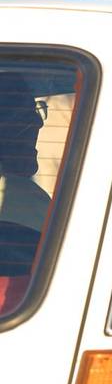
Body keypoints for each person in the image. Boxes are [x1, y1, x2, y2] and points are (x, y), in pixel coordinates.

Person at [0, 72, 49, 278]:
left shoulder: (30, 198)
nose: (38, 123)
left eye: (37, 110)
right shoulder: (28, 202)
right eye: (22, 113)